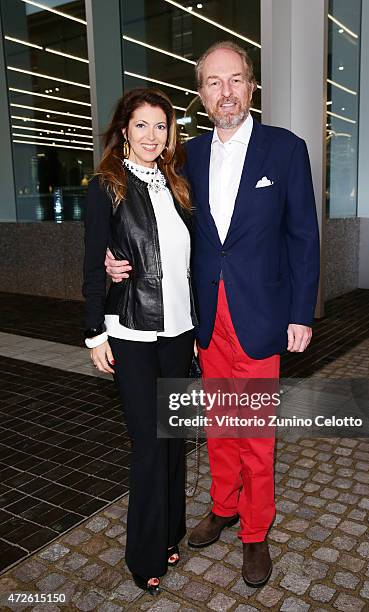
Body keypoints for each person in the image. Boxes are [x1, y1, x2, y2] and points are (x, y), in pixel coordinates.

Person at [105, 41, 320, 588]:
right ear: (201, 94)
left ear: (252, 85)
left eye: (237, 80)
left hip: (261, 313)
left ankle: (255, 531)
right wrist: (113, 256)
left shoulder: (286, 149)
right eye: (214, 83)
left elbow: (302, 238)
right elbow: (152, 220)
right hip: (205, 320)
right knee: (221, 424)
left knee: (255, 429)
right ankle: (223, 506)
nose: (227, 92)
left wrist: (301, 312)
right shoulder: (187, 158)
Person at [83, 88, 196, 595]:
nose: (152, 136)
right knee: (148, 444)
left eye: (161, 126)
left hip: (179, 332)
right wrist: (94, 332)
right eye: (142, 125)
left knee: (173, 442)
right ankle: (144, 553)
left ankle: (172, 530)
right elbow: (92, 267)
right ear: (124, 130)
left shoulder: (178, 185)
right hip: (130, 332)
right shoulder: (106, 186)